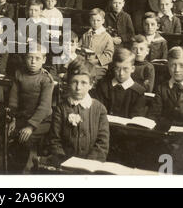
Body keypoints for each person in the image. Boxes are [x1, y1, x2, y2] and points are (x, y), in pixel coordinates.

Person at [47, 58, 109, 165]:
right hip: (65, 164)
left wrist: (90, 164)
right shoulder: (61, 108)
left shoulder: (99, 109)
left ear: (91, 84)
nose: (78, 87)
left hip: (90, 167)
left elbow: (102, 143)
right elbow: (54, 140)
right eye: (74, 82)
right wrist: (63, 161)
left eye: (84, 83)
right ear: (68, 82)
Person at [8, 43, 55, 172]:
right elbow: (13, 100)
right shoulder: (19, 74)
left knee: (23, 139)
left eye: (37, 58)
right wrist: (12, 119)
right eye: (30, 57)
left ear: (44, 60)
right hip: (22, 117)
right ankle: (10, 170)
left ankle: (24, 171)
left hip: (41, 121)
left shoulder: (46, 79)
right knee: (6, 133)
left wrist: (30, 126)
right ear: (25, 58)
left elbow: (44, 108)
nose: (33, 61)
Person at [95, 48, 147, 119]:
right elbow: (97, 112)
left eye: (125, 69)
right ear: (113, 68)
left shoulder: (139, 92)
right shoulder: (103, 86)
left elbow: (136, 120)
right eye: (117, 68)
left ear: (132, 69)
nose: (121, 73)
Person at [80, 8, 114, 81]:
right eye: (93, 20)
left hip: (99, 67)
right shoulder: (86, 35)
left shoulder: (107, 37)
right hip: (85, 65)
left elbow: (109, 55)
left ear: (103, 21)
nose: (95, 23)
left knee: (89, 78)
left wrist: (96, 60)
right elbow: (79, 49)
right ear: (90, 20)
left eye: (98, 20)